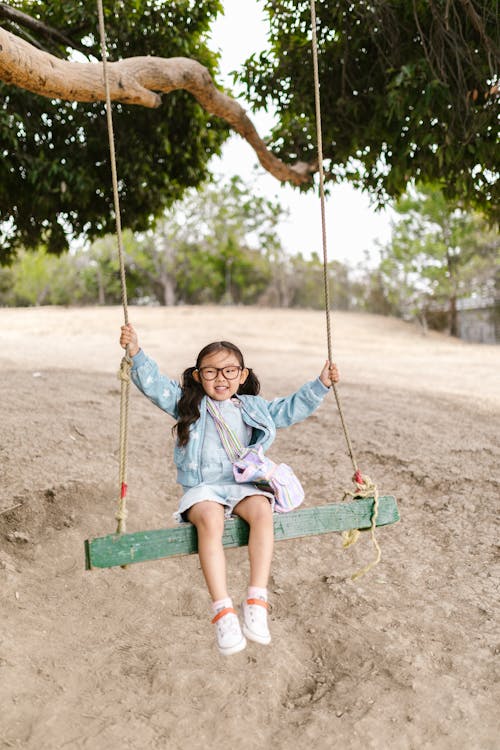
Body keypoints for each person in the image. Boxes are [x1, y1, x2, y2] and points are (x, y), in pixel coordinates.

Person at [119, 323, 339, 656]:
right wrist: (135, 352)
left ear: (242, 374)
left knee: (263, 511)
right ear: (197, 376)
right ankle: (223, 611)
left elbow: (290, 409)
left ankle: (256, 600)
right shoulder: (188, 405)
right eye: (210, 371)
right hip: (204, 487)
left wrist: (321, 385)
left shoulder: (251, 407)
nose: (220, 378)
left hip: (242, 484)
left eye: (229, 371)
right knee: (210, 520)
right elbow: (155, 386)